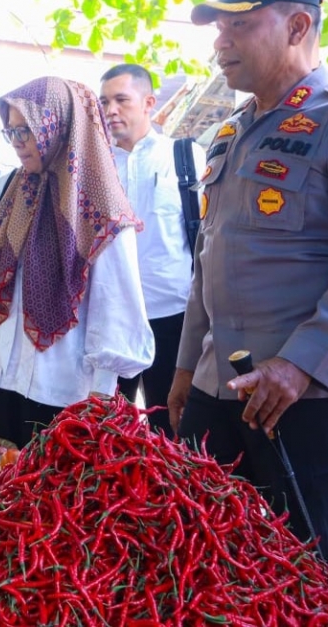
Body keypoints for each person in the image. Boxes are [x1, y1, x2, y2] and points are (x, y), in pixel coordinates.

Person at [168, 0, 328, 605]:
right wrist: (188, 363)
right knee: (216, 566)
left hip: (311, 399)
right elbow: (207, 257)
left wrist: (296, 366)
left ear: (298, 24)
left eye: (238, 25)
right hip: (225, 390)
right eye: (218, 26)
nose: (219, 42)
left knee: (309, 581)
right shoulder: (230, 134)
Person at [0, 77, 154, 447]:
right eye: (12, 131)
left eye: (28, 130)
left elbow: (115, 313)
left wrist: (99, 403)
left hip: (61, 393)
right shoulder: (9, 189)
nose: (18, 141)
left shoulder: (101, 211)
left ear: (62, 127)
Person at [99, 63, 205, 436]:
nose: (110, 110)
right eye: (104, 101)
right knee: (108, 433)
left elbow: (207, 238)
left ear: (148, 102)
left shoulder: (185, 158)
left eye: (121, 100)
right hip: (111, 317)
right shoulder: (96, 168)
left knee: (173, 428)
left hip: (173, 316)